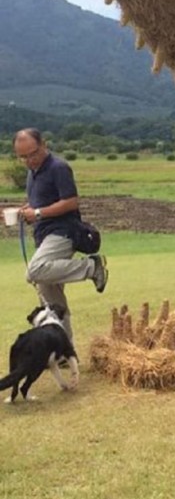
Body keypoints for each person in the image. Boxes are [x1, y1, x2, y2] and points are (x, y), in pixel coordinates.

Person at [13, 128, 108, 341]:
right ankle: (64, 351)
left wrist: (36, 213)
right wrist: (25, 210)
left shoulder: (59, 168)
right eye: (23, 157)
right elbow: (41, 201)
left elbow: (71, 202)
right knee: (52, 302)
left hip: (63, 232)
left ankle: (92, 266)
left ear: (44, 145)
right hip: (43, 235)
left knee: (34, 271)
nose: (29, 160)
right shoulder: (32, 172)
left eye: (33, 153)